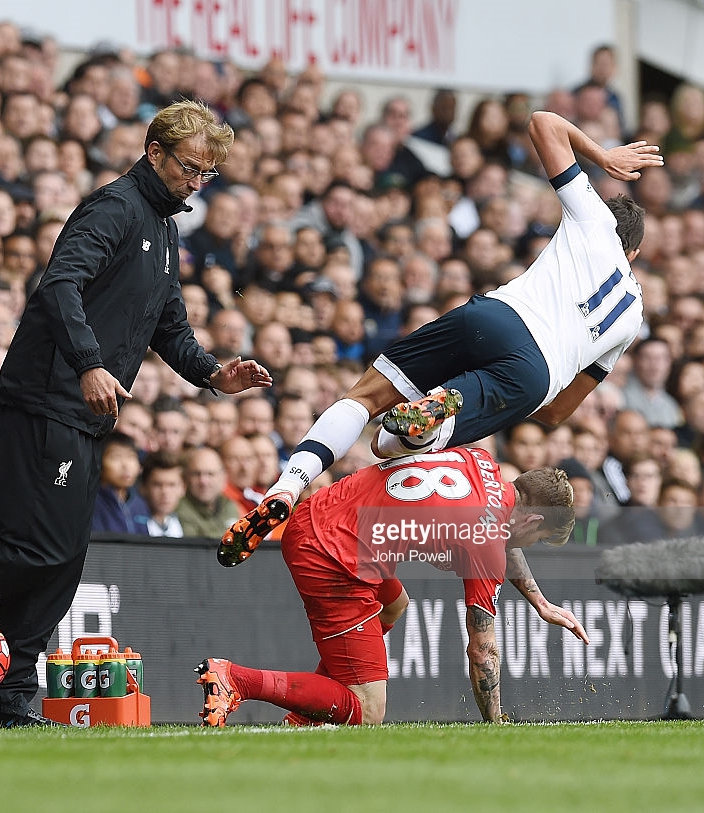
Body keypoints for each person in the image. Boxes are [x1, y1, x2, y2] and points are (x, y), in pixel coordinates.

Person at [0, 100, 272, 728]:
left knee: (64, 556)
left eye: (207, 175)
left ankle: (9, 695)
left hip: (82, 411)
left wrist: (212, 372)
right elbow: (59, 285)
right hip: (47, 398)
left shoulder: (164, 226)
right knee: (37, 547)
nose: (197, 183)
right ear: (154, 153)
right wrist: (89, 363)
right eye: (190, 168)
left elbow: (168, 324)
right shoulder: (115, 207)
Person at [221, 110, 663, 566]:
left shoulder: (591, 215)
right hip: (537, 375)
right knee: (396, 446)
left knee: (365, 398)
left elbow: (543, 123)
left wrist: (602, 155)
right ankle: (426, 419)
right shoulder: (633, 317)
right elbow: (558, 412)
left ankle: (287, 487)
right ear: (636, 254)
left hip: (497, 316)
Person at [196, 449, 586, 726]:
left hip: (323, 511)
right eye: (537, 539)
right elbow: (483, 651)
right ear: (532, 520)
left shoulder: (479, 460)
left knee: (395, 605)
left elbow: (503, 534)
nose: (527, 547)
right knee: (368, 710)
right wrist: (495, 722)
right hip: (334, 556)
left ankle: (312, 709)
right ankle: (236, 678)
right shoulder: (487, 541)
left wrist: (538, 601)